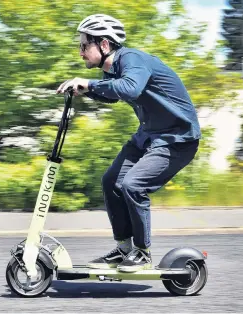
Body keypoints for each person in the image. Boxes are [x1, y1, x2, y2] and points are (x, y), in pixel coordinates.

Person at [56, 14, 201, 273]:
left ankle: (142, 253)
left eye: (83, 46)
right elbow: (113, 94)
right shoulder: (114, 68)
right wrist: (86, 90)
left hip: (177, 139)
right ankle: (124, 249)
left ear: (103, 45)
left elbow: (130, 88)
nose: (80, 53)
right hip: (149, 136)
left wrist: (88, 83)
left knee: (133, 185)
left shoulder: (132, 59)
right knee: (111, 181)